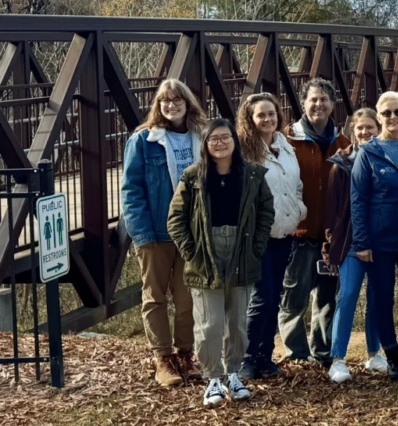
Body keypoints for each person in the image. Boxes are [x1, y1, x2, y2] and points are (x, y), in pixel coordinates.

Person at [166, 119, 274, 406]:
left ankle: (234, 374)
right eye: (213, 139)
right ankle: (213, 378)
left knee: (238, 322)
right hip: (205, 254)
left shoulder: (252, 174)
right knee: (210, 324)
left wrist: (256, 247)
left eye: (225, 137)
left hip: (241, 250)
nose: (220, 143)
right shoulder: (192, 177)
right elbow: (175, 219)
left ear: (234, 142)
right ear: (205, 144)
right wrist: (191, 252)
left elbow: (266, 211)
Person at [120, 78, 206, 386]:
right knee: (154, 296)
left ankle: (186, 353)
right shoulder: (143, 140)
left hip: (192, 232)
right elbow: (131, 190)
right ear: (158, 105)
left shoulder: (202, 136)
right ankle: (163, 358)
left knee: (186, 298)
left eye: (177, 100)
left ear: (187, 103)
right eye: (165, 101)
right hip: (155, 231)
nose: (170, 105)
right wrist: (140, 233)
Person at [348, 92, 398, 382]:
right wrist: (362, 242)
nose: (393, 118)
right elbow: (357, 199)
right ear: (378, 117)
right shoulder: (367, 153)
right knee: (382, 300)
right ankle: (393, 358)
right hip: (380, 240)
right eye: (386, 113)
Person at [279, 78, 351, 366]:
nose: (318, 104)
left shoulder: (344, 143)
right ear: (304, 103)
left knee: (326, 299)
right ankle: (296, 354)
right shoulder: (286, 140)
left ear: (333, 104)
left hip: (331, 237)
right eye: (313, 99)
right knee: (293, 297)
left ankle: (322, 353)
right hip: (299, 232)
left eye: (324, 99)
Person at [238, 93, 307, 379]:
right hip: (258, 236)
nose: (267, 119)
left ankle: (265, 356)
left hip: (284, 232)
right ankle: (246, 358)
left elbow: (296, 185)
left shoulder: (285, 146)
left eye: (271, 114)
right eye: (260, 115)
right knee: (261, 297)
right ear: (250, 120)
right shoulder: (244, 151)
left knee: (274, 295)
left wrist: (299, 212)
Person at [325, 108, 389, 381]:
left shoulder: (388, 158)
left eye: (370, 128)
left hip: (382, 241)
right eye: (359, 128)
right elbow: (330, 210)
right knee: (348, 294)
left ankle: (374, 354)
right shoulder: (341, 163)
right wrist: (329, 244)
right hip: (351, 242)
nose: (364, 132)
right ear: (352, 130)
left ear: (379, 128)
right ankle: (338, 359)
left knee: (377, 298)